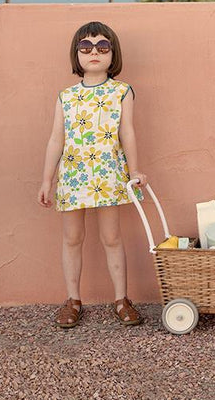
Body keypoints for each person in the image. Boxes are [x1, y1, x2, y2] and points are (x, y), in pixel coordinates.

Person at [37, 21, 147, 328]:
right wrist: (47, 179)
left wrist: (135, 170)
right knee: (72, 238)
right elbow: (55, 139)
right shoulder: (66, 96)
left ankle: (121, 298)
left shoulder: (122, 92)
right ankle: (73, 299)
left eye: (102, 46)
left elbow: (128, 133)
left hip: (108, 176)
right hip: (73, 176)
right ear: (77, 54)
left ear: (113, 54)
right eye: (86, 47)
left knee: (111, 237)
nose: (94, 52)